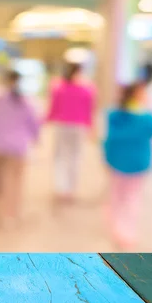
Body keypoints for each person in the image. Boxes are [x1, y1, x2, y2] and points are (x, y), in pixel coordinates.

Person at [102, 81, 152, 251]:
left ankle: (117, 226)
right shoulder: (146, 117)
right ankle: (126, 232)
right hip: (136, 163)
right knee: (131, 198)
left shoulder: (114, 114)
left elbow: (109, 138)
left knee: (117, 194)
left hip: (117, 161)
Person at [0, 70, 40, 229]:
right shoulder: (27, 101)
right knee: (15, 182)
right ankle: (11, 213)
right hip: (18, 147)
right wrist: (36, 140)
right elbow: (34, 124)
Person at [46, 62, 96, 205]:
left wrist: (48, 119)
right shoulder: (87, 89)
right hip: (78, 126)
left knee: (61, 156)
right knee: (74, 156)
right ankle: (70, 188)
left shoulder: (59, 87)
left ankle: (61, 187)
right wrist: (91, 127)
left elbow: (53, 106)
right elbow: (89, 110)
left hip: (63, 125)